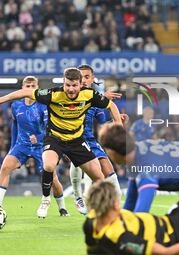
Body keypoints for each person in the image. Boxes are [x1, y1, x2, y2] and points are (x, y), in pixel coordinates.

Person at [0, 68, 123, 218]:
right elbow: (24, 93)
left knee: (99, 177)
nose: (70, 89)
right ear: (64, 82)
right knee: (49, 165)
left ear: (80, 85)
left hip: (76, 140)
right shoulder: (53, 94)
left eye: (74, 85)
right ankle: (45, 199)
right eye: (68, 85)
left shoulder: (89, 95)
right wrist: (0, 100)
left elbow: (111, 106)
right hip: (55, 138)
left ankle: (104, 210)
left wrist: (119, 126)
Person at [0, 76, 69, 217]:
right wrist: (12, 147)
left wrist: (40, 137)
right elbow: (15, 126)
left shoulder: (44, 105)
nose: (29, 89)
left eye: (32, 86)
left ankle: (62, 208)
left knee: (52, 178)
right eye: (27, 86)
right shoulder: (16, 105)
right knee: (5, 167)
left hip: (41, 146)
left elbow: (50, 127)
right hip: (21, 145)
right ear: (22, 88)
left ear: (37, 87)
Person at [69, 64, 122, 215]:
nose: (84, 80)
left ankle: (117, 203)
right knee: (86, 165)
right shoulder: (70, 94)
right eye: (81, 77)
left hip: (89, 138)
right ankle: (79, 197)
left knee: (106, 168)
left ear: (92, 79)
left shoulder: (96, 98)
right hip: (70, 137)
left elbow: (102, 122)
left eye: (87, 77)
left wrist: (115, 122)